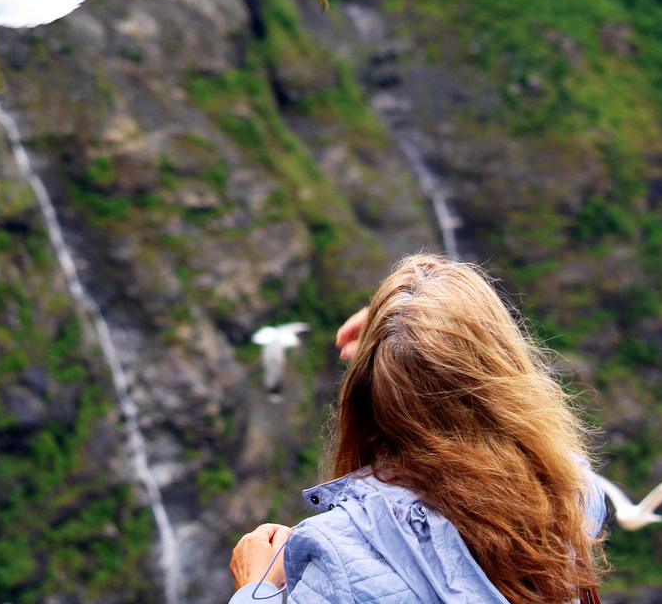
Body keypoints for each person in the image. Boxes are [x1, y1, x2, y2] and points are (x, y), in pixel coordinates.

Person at [227, 254, 607, 604]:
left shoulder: (337, 558)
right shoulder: (572, 492)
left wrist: (254, 587)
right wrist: (411, 337)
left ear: (365, 394)